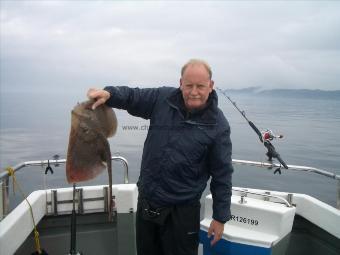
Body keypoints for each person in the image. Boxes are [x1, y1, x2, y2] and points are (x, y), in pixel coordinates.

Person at [87, 59, 233, 255]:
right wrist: (110, 94)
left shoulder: (218, 125)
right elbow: (133, 96)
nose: (194, 92)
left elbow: (222, 174)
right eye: (189, 85)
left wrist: (220, 217)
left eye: (200, 86)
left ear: (211, 86)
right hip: (148, 203)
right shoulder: (163, 99)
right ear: (181, 83)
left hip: (182, 212)